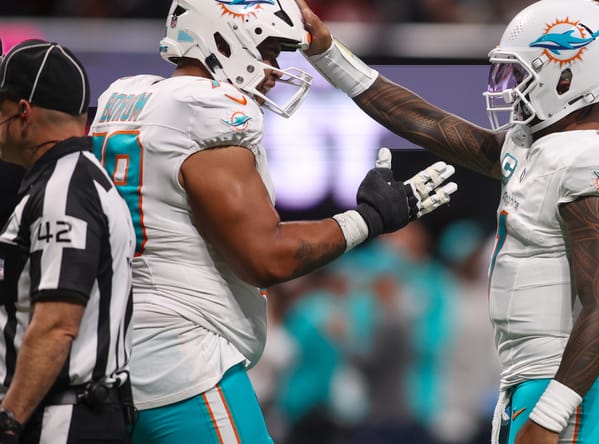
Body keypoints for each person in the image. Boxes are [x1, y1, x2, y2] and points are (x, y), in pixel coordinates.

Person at [88, 0, 457, 443]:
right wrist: (369, 219)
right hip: (183, 359)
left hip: (116, 351)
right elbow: (267, 256)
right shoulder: (209, 109)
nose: (274, 70)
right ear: (223, 39)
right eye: (268, 52)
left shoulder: (125, 100)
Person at [297, 0, 599, 442]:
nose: (512, 87)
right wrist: (329, 55)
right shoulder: (535, 147)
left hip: (574, 398)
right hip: (541, 387)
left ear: (567, 78)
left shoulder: (597, 158)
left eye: (522, 73)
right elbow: (426, 123)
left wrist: (550, 415)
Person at [0, 39, 136, 443]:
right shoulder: (72, 180)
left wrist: (8, 421)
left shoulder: (64, 191)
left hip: (59, 419)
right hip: (64, 412)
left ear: (23, 112)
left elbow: (56, 326)